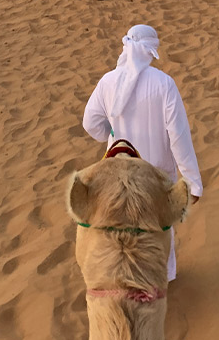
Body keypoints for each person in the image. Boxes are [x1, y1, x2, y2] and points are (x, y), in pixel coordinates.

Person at [82, 24, 203, 281]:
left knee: (123, 229)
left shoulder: (107, 82)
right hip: (156, 176)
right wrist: (192, 184)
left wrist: (110, 133)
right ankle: (162, 281)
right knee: (159, 230)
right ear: (149, 50)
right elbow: (179, 137)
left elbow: (89, 123)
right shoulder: (164, 84)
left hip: (118, 173)